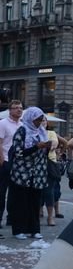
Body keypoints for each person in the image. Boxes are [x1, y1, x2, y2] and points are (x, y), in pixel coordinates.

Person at [8, 107, 49, 240]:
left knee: (35, 202)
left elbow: (43, 155)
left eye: (40, 120)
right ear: (30, 119)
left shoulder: (42, 132)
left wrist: (47, 147)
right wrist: (36, 147)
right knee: (21, 202)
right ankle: (19, 230)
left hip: (37, 173)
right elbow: (18, 153)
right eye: (37, 120)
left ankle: (34, 230)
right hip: (22, 173)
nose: (39, 123)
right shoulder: (22, 131)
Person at [0, 99, 23, 232]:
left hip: (18, 163)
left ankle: (11, 218)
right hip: (6, 161)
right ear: (10, 110)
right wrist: (2, 160)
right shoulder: (3, 123)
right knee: (2, 192)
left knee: (15, 192)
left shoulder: (22, 125)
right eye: (15, 108)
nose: (18, 110)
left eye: (20, 108)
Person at [41, 117, 66, 226]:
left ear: (47, 123)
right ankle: (39, 211)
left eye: (44, 121)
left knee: (50, 191)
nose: (42, 123)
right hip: (36, 164)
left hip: (50, 163)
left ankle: (50, 216)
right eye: (40, 121)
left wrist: (59, 153)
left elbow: (53, 144)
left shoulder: (51, 133)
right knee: (37, 190)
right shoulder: (32, 132)